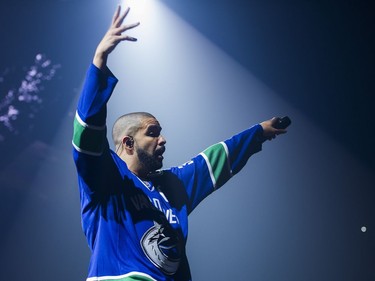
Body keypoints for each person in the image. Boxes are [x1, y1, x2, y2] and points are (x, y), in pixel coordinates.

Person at [72, 6, 288, 281]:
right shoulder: (106, 176)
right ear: (128, 143)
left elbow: (213, 160)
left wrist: (259, 131)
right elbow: (87, 136)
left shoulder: (171, 186)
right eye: (152, 133)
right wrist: (99, 62)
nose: (163, 139)